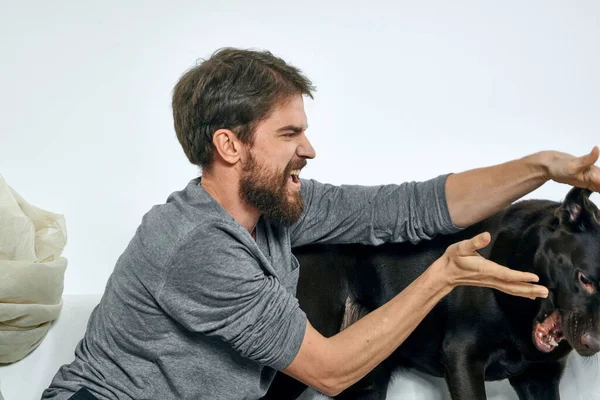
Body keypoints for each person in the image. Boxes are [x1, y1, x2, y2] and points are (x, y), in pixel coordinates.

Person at [42, 47, 600, 400]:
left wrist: (544, 167)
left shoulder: (282, 212)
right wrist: (442, 277)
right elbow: (330, 372)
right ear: (230, 145)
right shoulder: (197, 244)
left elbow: (413, 207)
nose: (308, 149)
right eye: (288, 134)